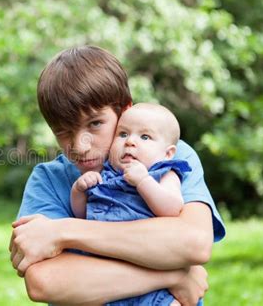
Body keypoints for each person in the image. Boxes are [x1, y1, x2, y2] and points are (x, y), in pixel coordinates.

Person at [9, 45, 226, 305]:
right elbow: (46, 283)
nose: (80, 146)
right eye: (63, 131)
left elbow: (194, 243)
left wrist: (62, 231)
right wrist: (174, 275)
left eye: (95, 123)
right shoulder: (47, 179)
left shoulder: (170, 157)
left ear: (125, 111)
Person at [71, 103, 195, 305]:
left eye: (145, 137)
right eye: (122, 134)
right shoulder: (105, 175)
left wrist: (143, 181)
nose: (130, 142)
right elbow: (82, 215)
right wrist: (78, 191)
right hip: (106, 280)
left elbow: (172, 209)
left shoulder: (164, 173)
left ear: (168, 153)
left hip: (150, 279)